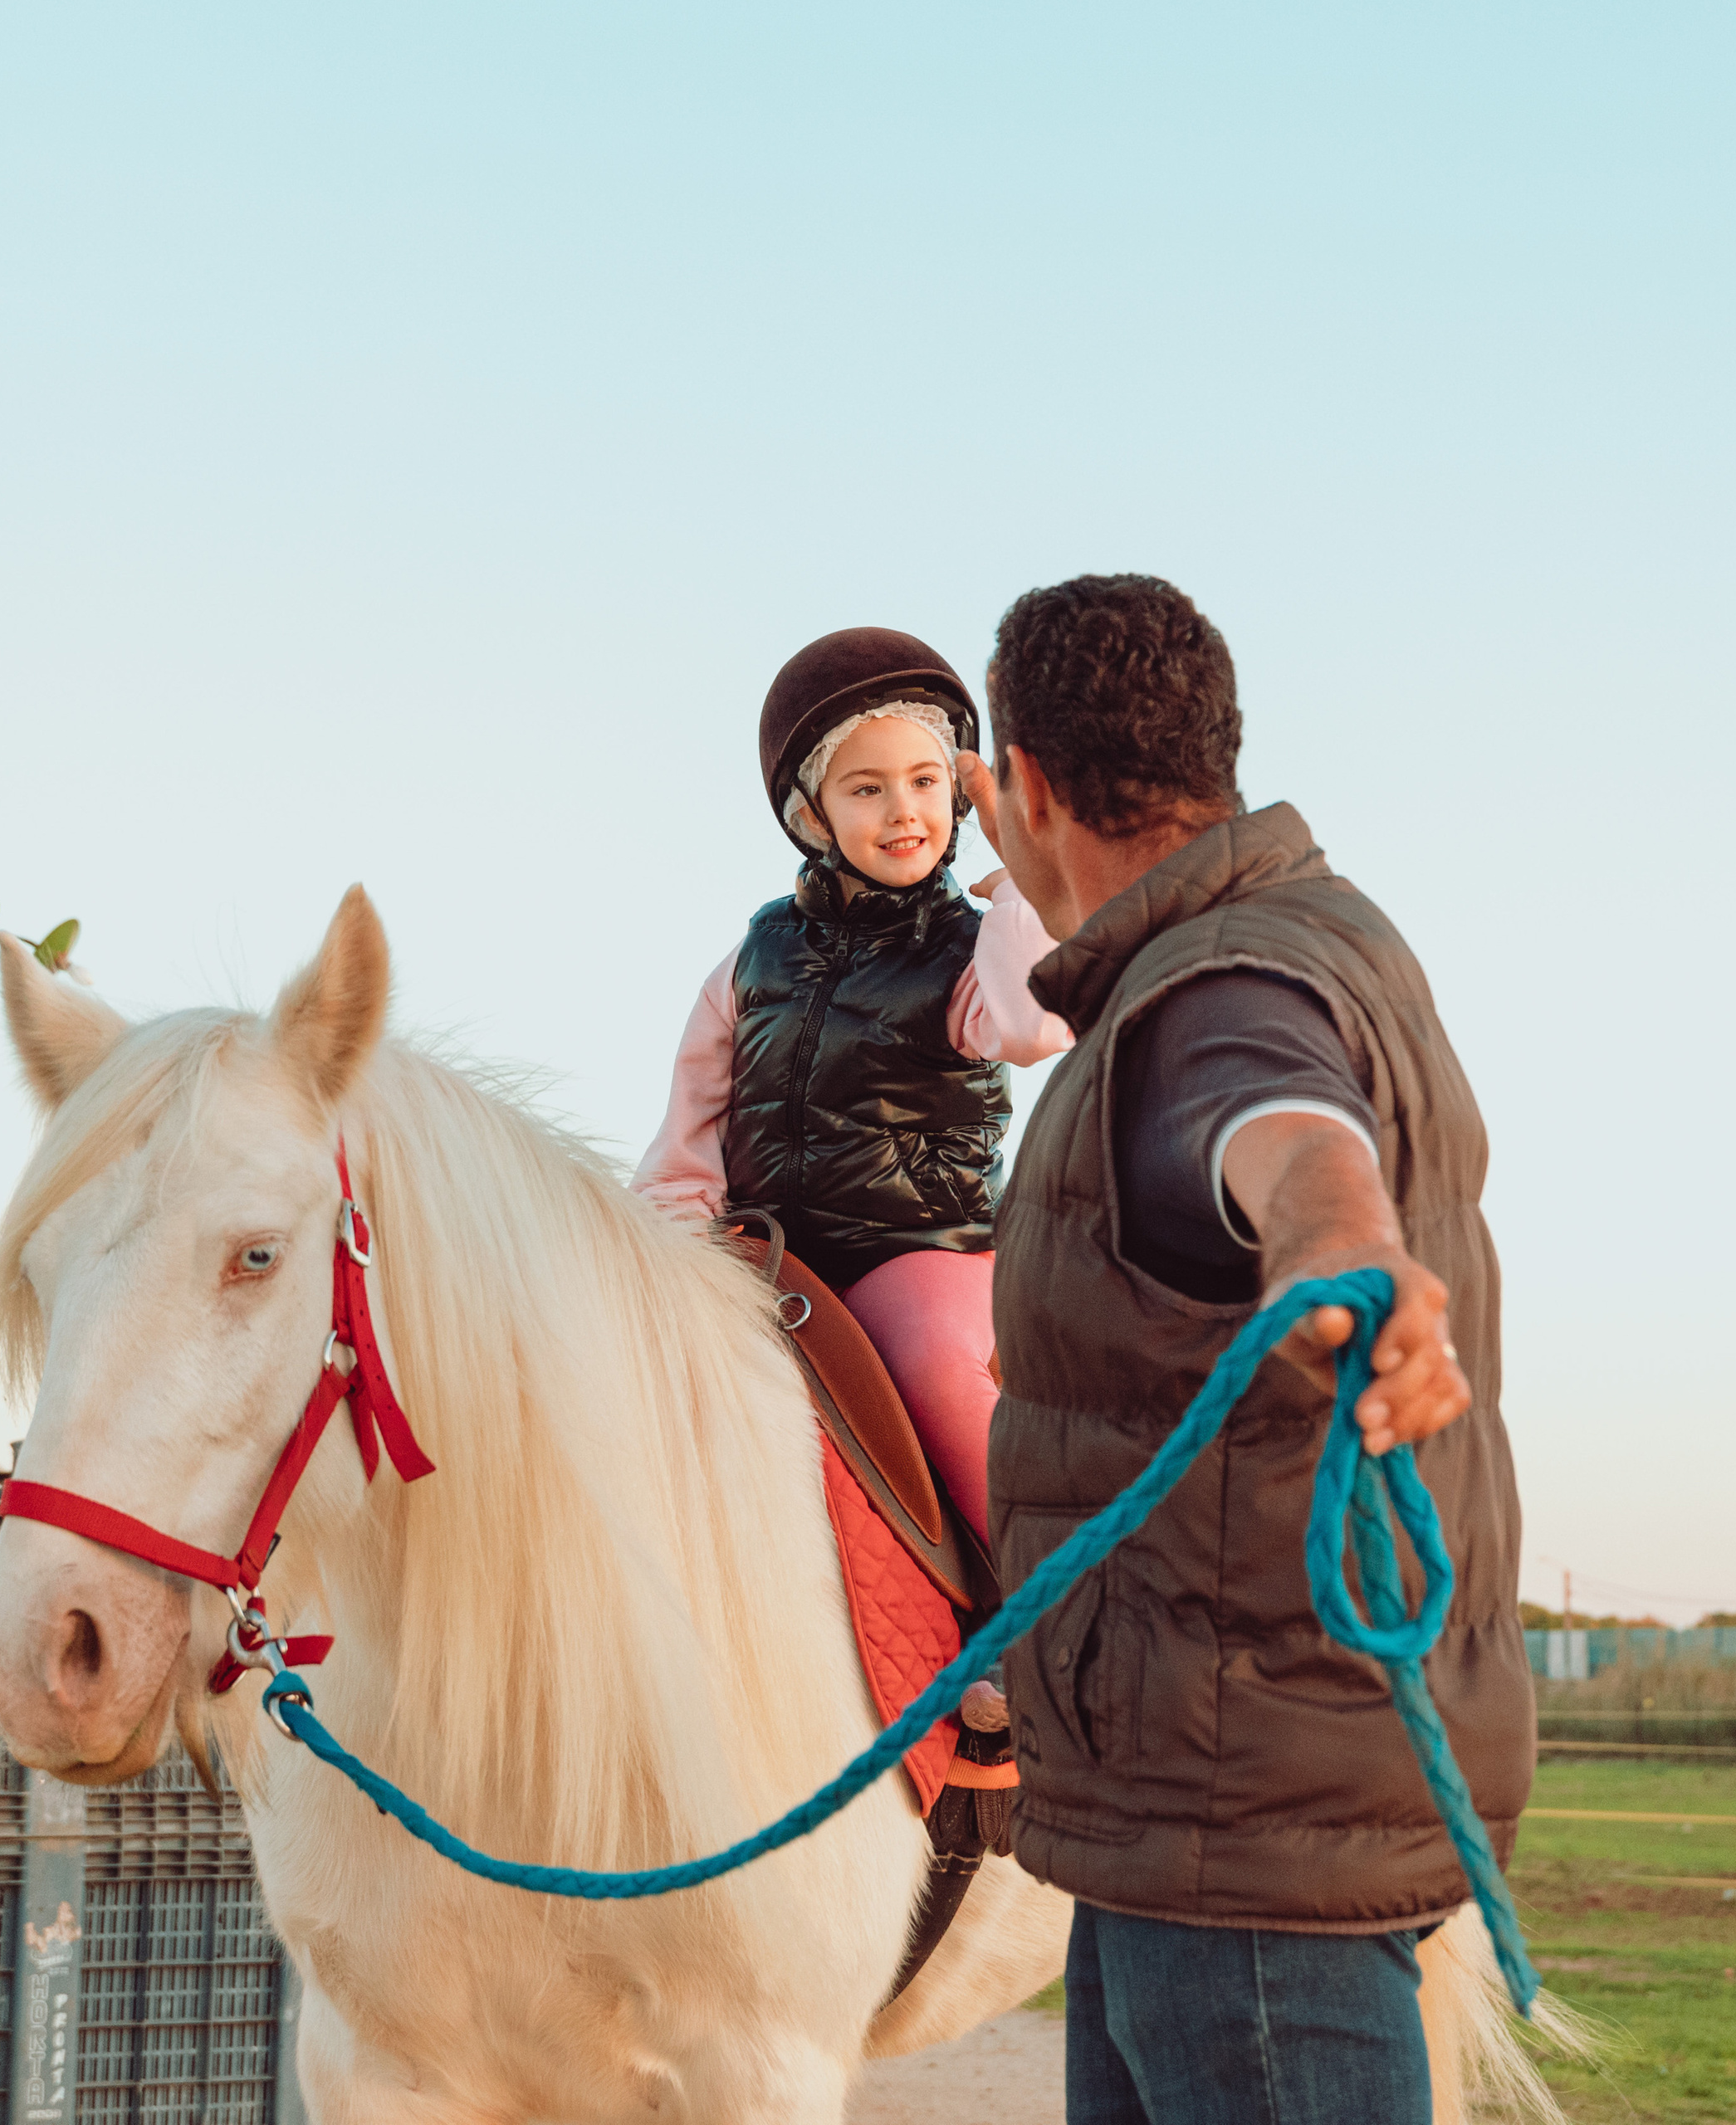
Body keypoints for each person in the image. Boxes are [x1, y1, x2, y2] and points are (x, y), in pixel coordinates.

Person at [961, 575, 1533, 2123]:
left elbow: (1278, 1122)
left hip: (1241, 1850)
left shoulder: (1205, 988)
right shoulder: (1310, 932)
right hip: (1222, 1812)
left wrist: (1336, 1237)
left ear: (1023, 785)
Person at [634, 627, 1071, 1542]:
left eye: (923, 782)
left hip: (919, 1254)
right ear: (814, 815)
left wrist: (1024, 889)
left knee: (931, 1365)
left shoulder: (967, 949)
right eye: (865, 789)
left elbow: (1033, 1027)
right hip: (770, 1257)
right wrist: (670, 1267)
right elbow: (686, 1146)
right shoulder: (751, 962)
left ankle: (1048, 1597)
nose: (902, 809)